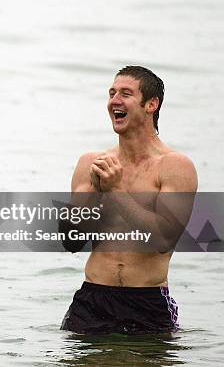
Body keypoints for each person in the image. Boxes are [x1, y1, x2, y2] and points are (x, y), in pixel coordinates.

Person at [60, 65, 197, 334]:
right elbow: (71, 241)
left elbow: (162, 240)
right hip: (92, 301)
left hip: (146, 302)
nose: (114, 101)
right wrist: (93, 196)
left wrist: (115, 191)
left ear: (151, 104)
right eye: (111, 93)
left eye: (125, 93)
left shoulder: (174, 166)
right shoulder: (91, 163)